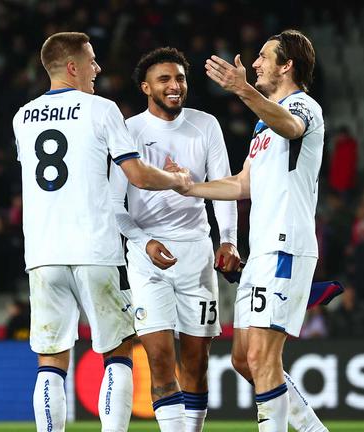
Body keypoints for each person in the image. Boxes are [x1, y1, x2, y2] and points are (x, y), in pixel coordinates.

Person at [11, 32, 192, 432]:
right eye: (91, 61)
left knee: (51, 359)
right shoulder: (101, 109)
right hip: (93, 247)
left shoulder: (22, 116)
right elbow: (138, 176)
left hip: (42, 252)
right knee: (117, 352)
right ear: (72, 67)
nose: (97, 68)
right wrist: (177, 180)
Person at [172, 29, 328, 432]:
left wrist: (243, 91)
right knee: (244, 359)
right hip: (260, 252)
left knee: (262, 359)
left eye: (263, 56)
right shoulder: (262, 127)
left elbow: (292, 128)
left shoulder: (303, 107)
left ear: (287, 64)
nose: (255, 63)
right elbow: (243, 184)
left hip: (286, 245)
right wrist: (191, 187)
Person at [109, 47, 240, 432]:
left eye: (180, 78)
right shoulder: (129, 131)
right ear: (145, 86)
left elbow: (224, 187)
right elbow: (115, 205)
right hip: (148, 258)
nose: (174, 85)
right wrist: (143, 242)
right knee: (161, 361)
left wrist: (228, 240)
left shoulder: (206, 125)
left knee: (196, 364)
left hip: (196, 255)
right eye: (164, 79)